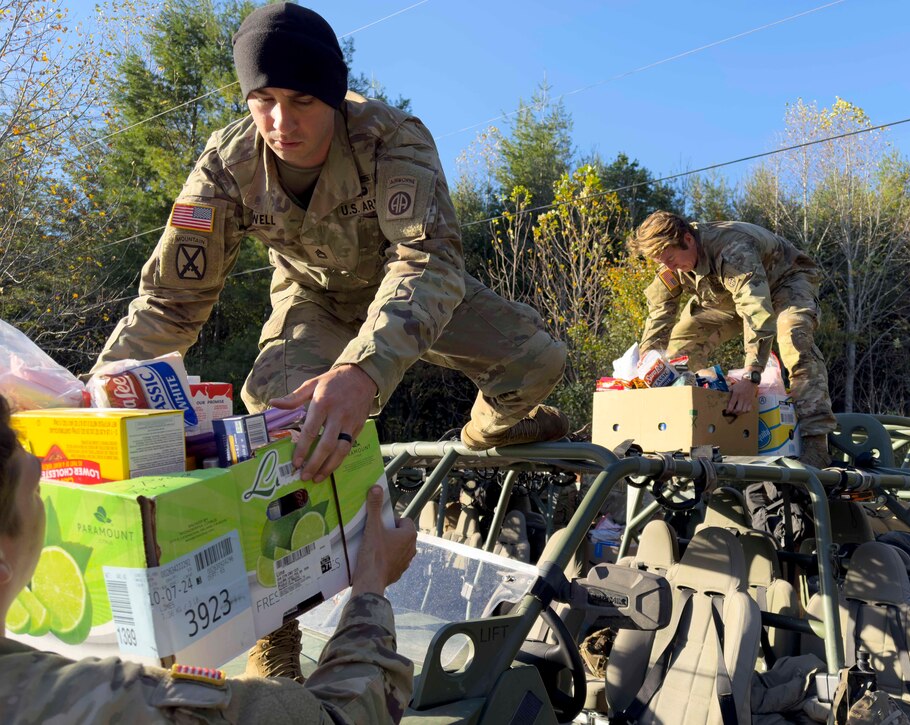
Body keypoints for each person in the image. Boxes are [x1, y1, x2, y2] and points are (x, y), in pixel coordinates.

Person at [92, 3, 567, 679]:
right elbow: (171, 300)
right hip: (313, 303)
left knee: (540, 360)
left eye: (301, 100)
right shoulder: (227, 167)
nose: (280, 122)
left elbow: (428, 262)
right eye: (263, 100)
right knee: (281, 430)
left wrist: (362, 374)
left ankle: (487, 431)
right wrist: (97, 392)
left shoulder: (392, 138)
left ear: (334, 96)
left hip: (410, 292)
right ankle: (275, 632)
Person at [0, 395, 418, 723]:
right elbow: (341, 719)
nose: (41, 462)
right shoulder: (111, 702)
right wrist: (370, 588)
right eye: (37, 487)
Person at [628, 211, 835, 468]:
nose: (669, 267)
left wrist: (751, 376)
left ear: (688, 239)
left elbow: (755, 310)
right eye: (662, 262)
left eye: (670, 258)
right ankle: (697, 429)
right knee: (678, 353)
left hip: (784, 282)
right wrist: (646, 365)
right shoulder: (671, 261)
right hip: (725, 298)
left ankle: (815, 441)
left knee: (793, 336)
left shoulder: (733, 249)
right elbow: (659, 315)